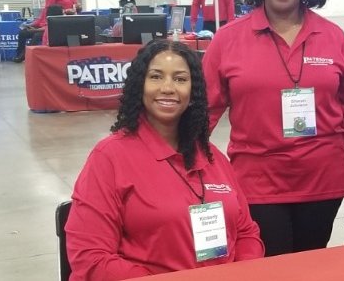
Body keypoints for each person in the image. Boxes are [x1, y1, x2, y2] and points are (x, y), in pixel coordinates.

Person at [203, 0, 344, 257]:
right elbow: (203, 111)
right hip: (257, 182)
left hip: (322, 180)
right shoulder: (228, 39)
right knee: (271, 265)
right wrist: (175, 164)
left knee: (311, 264)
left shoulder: (331, 35)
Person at [66, 40, 264, 280]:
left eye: (180, 79)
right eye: (156, 77)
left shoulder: (212, 157)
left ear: (193, 93)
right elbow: (90, 257)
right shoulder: (109, 157)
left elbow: (246, 233)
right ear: (140, 86)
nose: (168, 88)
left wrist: (243, 272)